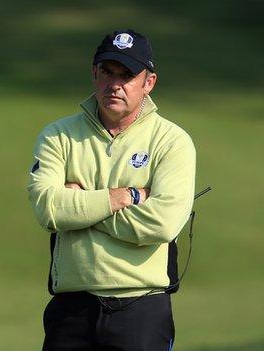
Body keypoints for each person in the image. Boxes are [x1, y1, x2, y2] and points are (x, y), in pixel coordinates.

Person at [28, 29, 196, 350]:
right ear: (94, 74)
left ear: (149, 83)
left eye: (127, 75)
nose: (115, 84)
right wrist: (124, 198)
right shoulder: (58, 136)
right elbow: (47, 208)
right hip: (72, 309)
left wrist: (81, 206)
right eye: (107, 71)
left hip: (141, 307)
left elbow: (162, 223)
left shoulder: (172, 142)